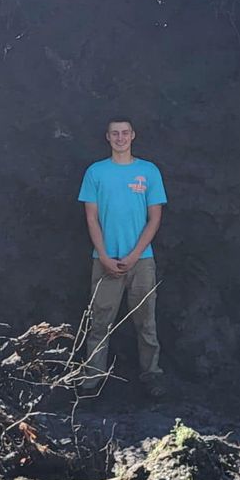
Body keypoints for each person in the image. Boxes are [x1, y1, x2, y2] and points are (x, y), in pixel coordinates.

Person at [76, 116, 167, 399]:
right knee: (99, 323)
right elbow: (91, 218)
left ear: (133, 136)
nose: (120, 138)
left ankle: (151, 376)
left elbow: (154, 218)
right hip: (104, 259)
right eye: (114, 133)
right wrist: (103, 256)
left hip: (141, 261)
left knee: (146, 323)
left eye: (124, 133)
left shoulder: (149, 171)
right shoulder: (95, 172)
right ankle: (92, 380)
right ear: (107, 137)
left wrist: (134, 255)